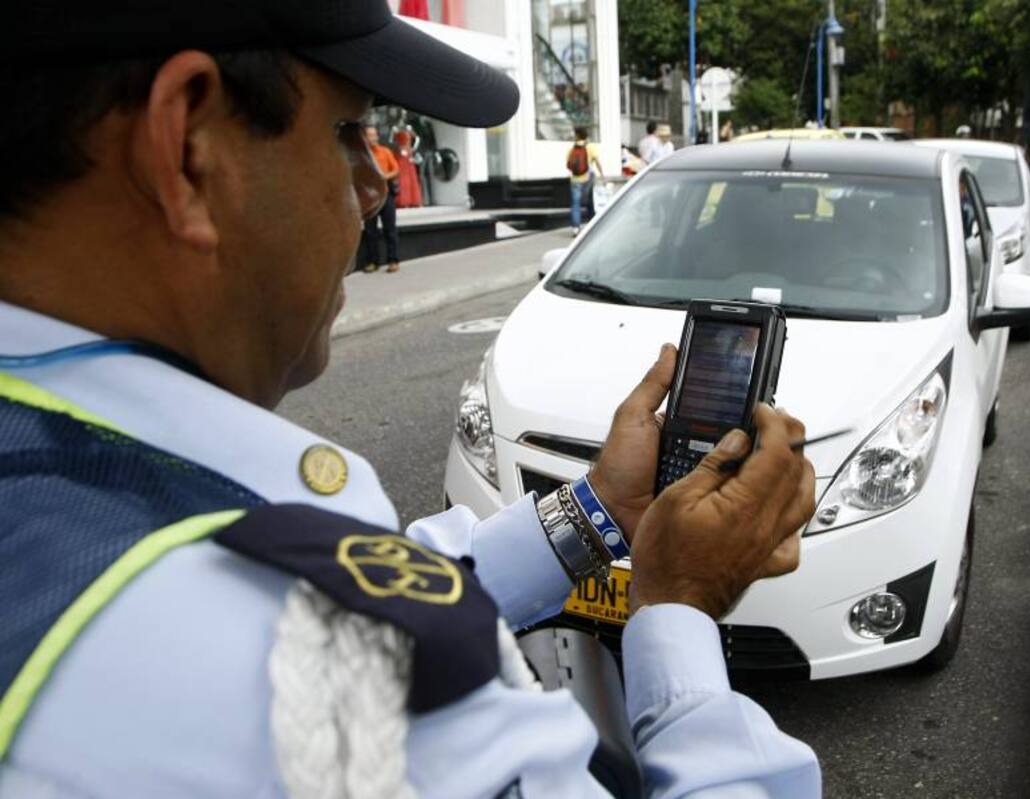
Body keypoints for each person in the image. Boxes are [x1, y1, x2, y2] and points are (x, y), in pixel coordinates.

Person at [0, 2, 823, 797]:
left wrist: (599, 507)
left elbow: (402, 592)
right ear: (186, 146)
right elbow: (338, 630)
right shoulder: (279, 661)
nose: (373, 184)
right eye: (348, 131)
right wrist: (678, 607)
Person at [363, 124, 402, 272]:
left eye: (374, 135)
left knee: (390, 229)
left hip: (386, 195)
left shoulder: (385, 152)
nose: (372, 138)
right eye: (369, 135)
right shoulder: (364, 155)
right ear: (364, 138)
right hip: (370, 197)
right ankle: (373, 262)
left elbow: (396, 169)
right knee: (370, 231)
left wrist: (384, 176)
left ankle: (393, 260)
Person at [567, 125, 603, 235]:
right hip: (588, 178)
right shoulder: (590, 147)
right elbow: (597, 161)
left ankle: (575, 228)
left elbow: (568, 164)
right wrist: (602, 174)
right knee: (590, 201)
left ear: (577, 135)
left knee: (575, 204)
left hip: (575, 179)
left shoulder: (572, 148)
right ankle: (592, 224)